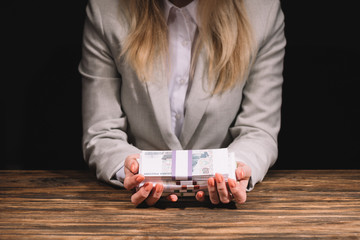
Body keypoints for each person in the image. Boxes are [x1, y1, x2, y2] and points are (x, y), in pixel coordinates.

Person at [79, 0, 286, 206]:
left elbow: (259, 129)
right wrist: (132, 172)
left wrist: (236, 171)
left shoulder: (262, 11)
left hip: (221, 211)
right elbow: (102, 130)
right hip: (134, 210)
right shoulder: (105, 10)